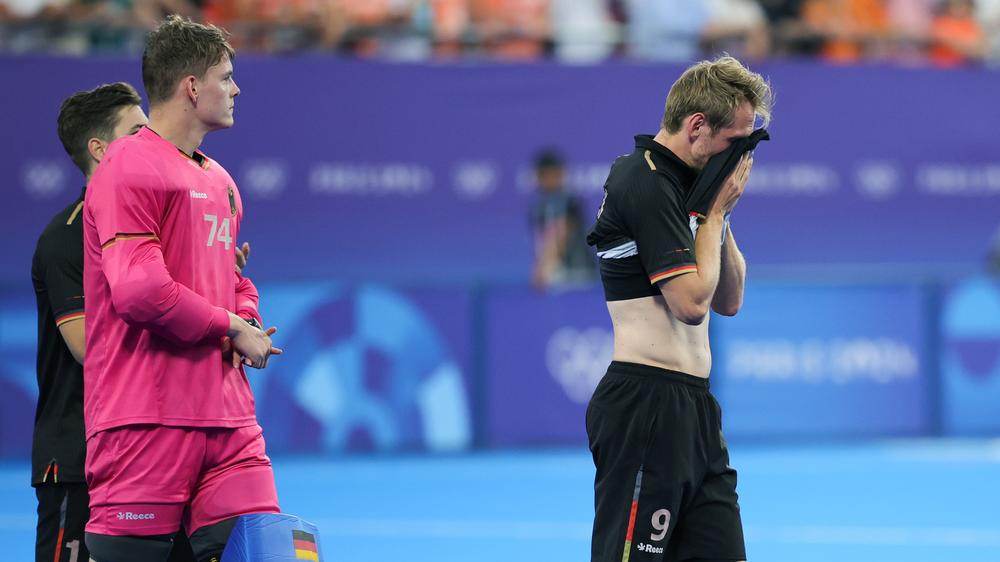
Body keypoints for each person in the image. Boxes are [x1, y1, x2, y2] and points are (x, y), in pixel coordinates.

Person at [81, 15, 282, 562]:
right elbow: (141, 292)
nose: (236, 88)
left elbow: (232, 279)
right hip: (145, 420)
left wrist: (244, 311)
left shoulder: (223, 181)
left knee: (272, 551)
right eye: (226, 75)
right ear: (192, 86)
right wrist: (231, 326)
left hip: (231, 420)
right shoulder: (127, 165)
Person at [585, 55, 772, 561]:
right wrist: (710, 215)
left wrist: (721, 213)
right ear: (696, 127)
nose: (739, 159)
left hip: (695, 408)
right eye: (736, 143)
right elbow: (691, 304)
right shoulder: (642, 179)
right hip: (644, 405)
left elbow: (728, 301)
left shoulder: (691, 190)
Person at [530, 148, 595, 288]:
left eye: (554, 174)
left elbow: (560, 236)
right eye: (545, 175)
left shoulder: (569, 200)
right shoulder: (539, 206)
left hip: (577, 272)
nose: (550, 179)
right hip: (557, 274)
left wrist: (542, 269)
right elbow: (543, 240)